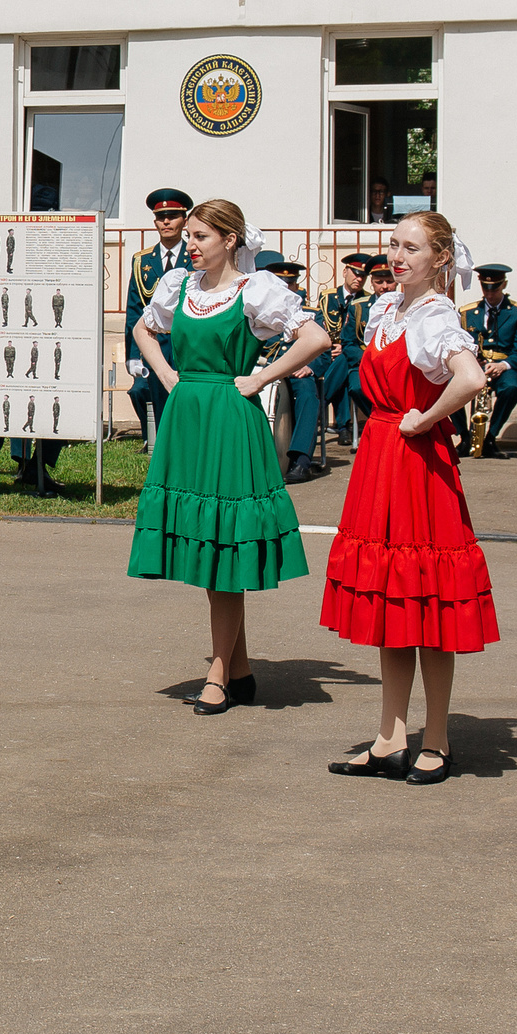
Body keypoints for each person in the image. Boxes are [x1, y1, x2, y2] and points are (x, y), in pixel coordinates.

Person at [129, 198, 329, 715]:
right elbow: (143, 330)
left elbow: (316, 337)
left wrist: (262, 375)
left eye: (200, 237)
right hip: (188, 415)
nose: (189, 246)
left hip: (228, 415)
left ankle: (218, 675)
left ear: (230, 241)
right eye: (189, 236)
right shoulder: (181, 286)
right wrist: (168, 377)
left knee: (224, 547)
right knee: (208, 542)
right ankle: (238, 671)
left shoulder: (256, 289)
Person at [319, 211, 498, 785]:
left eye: (412, 248)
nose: (398, 256)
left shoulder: (437, 316)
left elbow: (470, 378)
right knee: (390, 600)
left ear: (440, 258)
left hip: (416, 462)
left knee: (428, 601)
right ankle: (390, 737)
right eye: (394, 245)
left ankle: (438, 739)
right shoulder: (386, 309)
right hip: (381, 458)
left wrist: (425, 418)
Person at [124, 189, 192, 444]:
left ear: (184, 220)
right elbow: (134, 309)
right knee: (151, 396)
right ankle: (159, 447)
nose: (166, 222)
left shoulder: (195, 257)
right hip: (155, 345)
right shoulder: (142, 261)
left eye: (173, 216)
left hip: (188, 343)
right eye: (161, 216)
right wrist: (133, 354)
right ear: (154, 222)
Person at [255, 252, 328, 483]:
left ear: (296, 286)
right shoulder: (257, 312)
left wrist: (310, 366)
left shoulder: (312, 315)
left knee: (308, 394)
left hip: (297, 370)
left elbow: (325, 352)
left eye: (291, 283)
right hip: (265, 369)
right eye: (281, 283)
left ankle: (300, 461)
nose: (287, 287)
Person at [462, 264, 517, 458]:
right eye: (485, 288)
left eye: (495, 288)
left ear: (504, 285)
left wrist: (502, 365)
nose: (489, 294)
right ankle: (465, 437)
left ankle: (491, 436)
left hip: (506, 367)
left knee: (511, 388)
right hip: (477, 367)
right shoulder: (468, 313)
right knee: (447, 385)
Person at [317, 252, 375, 446]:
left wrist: (344, 348)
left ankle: (324, 411)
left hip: (349, 354)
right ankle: (344, 426)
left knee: (343, 363)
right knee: (340, 365)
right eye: (355, 273)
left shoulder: (367, 300)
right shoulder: (328, 297)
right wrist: (330, 348)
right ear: (345, 272)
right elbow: (320, 325)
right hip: (329, 352)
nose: (359, 279)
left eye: (363, 276)